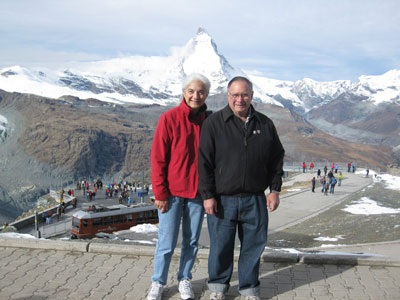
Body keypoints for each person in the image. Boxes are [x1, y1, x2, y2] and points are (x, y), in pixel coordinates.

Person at [198, 76, 285, 300]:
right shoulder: (214, 123)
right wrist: (208, 196)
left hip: (255, 199)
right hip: (222, 200)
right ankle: (217, 287)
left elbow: (277, 158)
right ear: (228, 96)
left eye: (244, 94)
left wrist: (274, 190)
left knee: (253, 247)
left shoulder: (265, 124)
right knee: (220, 247)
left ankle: (249, 289)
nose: (240, 99)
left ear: (252, 96)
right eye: (235, 95)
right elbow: (204, 163)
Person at [147, 73, 211, 300]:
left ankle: (184, 278)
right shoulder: (169, 118)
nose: (196, 95)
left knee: (192, 241)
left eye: (201, 92)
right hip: (172, 194)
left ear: (207, 95)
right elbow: (158, 159)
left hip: (197, 193)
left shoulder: (209, 122)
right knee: (166, 241)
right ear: (184, 92)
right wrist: (160, 192)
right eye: (191, 91)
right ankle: (158, 282)